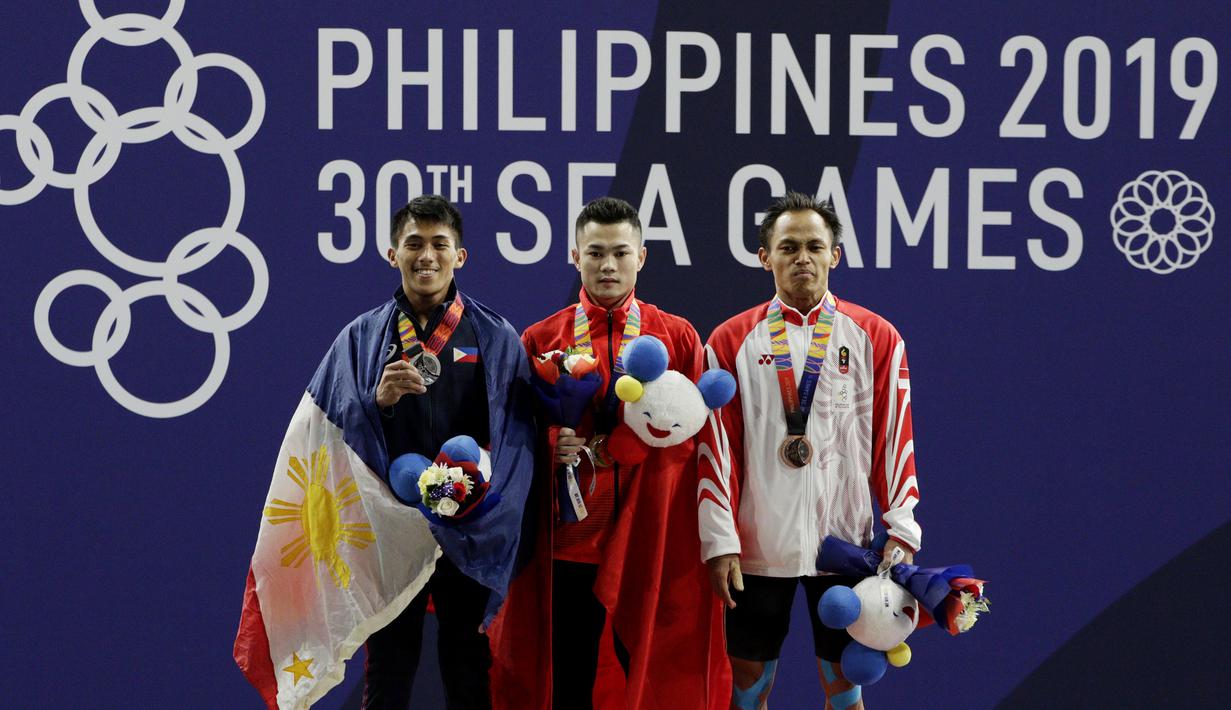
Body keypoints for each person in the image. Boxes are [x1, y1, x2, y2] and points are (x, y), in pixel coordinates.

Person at [489, 197, 729, 709]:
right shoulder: (542, 337)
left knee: (649, 675)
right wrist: (550, 446)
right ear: (574, 256)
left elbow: (701, 438)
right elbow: (510, 437)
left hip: (648, 538)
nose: (607, 265)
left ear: (641, 257)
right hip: (570, 540)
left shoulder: (678, 336)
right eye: (595, 252)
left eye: (620, 253)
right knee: (569, 681)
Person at [697, 192, 922, 710]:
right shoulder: (731, 340)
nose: (803, 257)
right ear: (764, 256)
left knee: (847, 684)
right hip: (758, 543)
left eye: (815, 246)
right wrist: (720, 539)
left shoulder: (876, 337)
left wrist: (902, 531)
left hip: (845, 544)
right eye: (789, 246)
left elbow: (896, 438)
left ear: (835, 255)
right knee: (747, 682)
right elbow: (716, 448)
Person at [361, 195, 534, 709]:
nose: (427, 255)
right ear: (393, 254)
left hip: (468, 525)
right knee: (389, 667)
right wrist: (379, 404)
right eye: (414, 244)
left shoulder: (494, 334)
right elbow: (336, 432)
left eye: (440, 244)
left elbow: (515, 437)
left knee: (467, 669)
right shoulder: (364, 339)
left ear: (461, 257)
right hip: (393, 527)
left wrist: (472, 486)